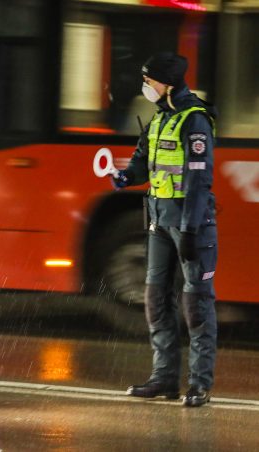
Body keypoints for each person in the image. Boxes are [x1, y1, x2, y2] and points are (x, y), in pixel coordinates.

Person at [111, 52, 218, 407]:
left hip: (192, 227)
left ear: (167, 83)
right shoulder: (159, 120)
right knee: (156, 301)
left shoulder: (195, 120)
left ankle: (199, 384)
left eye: (150, 80)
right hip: (158, 224)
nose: (146, 86)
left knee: (196, 304)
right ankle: (164, 379)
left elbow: (199, 181)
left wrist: (189, 230)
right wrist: (126, 177)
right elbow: (143, 164)